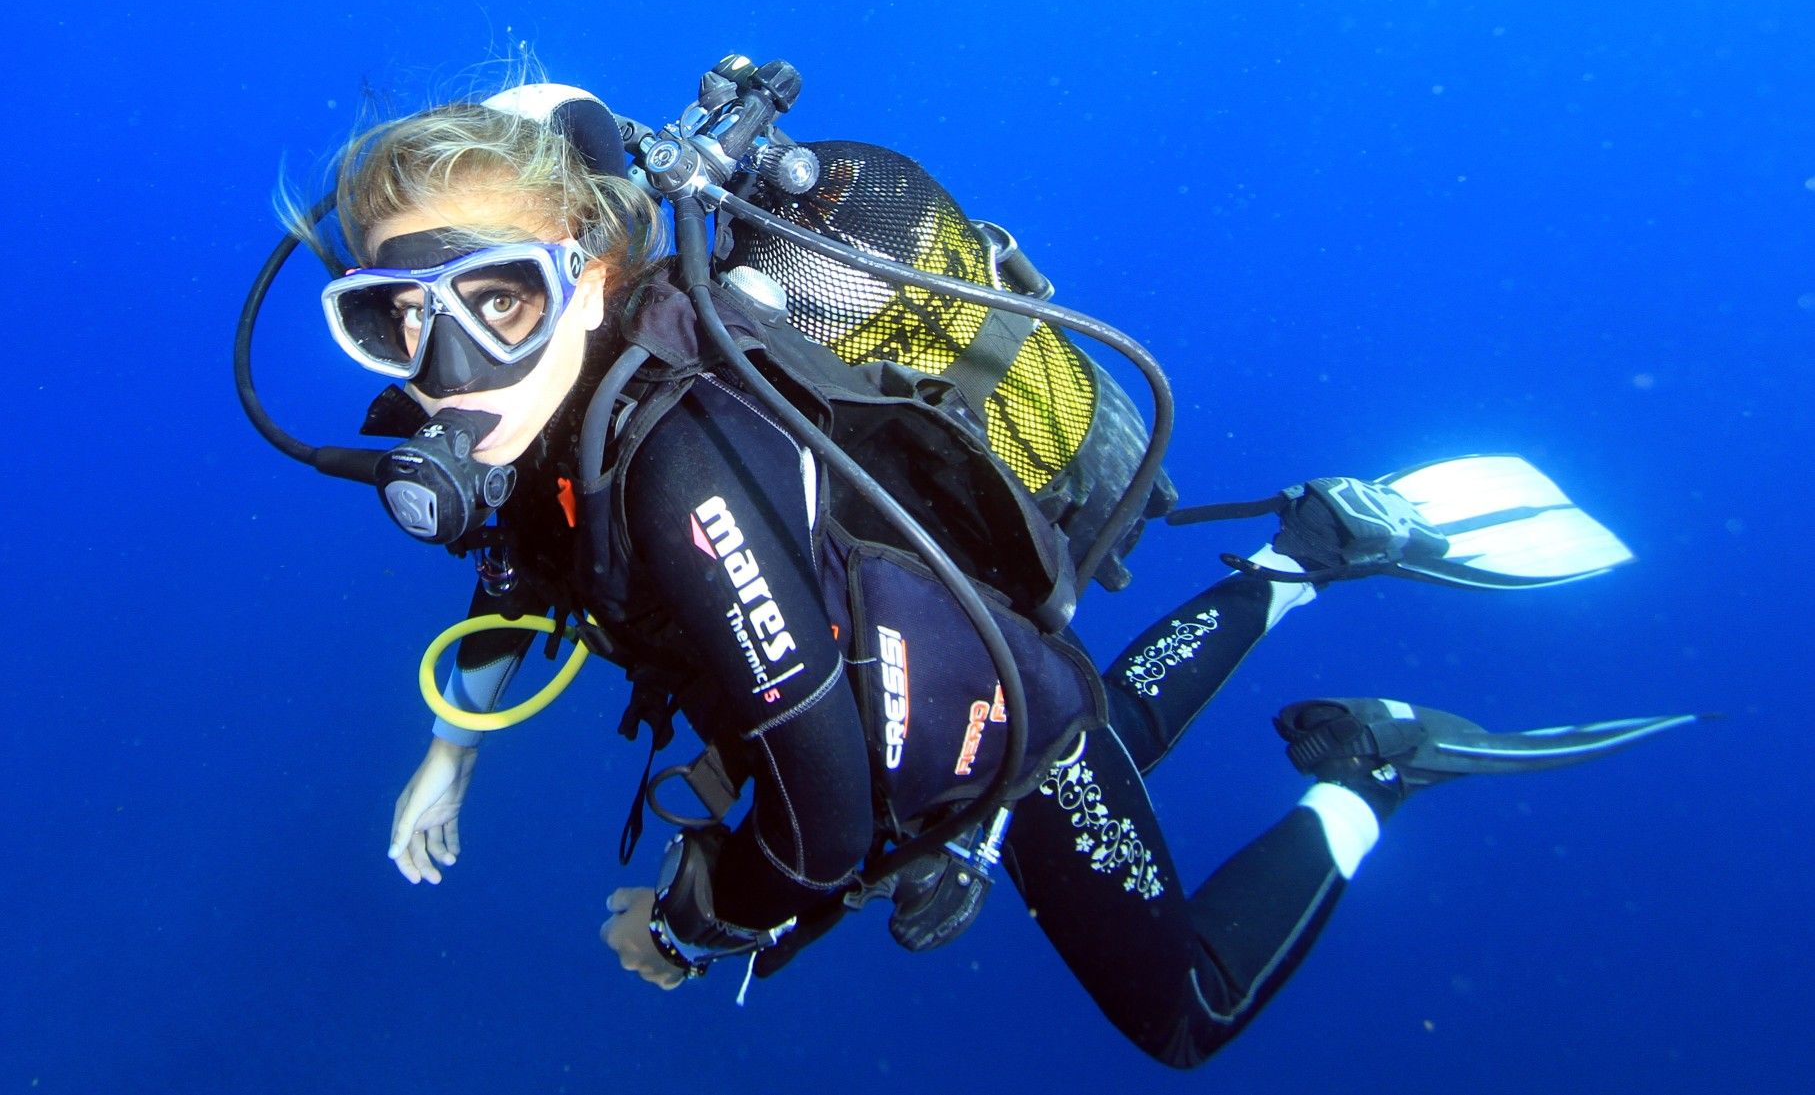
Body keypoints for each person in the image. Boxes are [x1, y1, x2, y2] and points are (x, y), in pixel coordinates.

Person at [265, 75, 1697, 1069]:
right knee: (1092, 731)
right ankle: (1305, 556)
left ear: (587, 270)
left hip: (1001, 721)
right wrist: (451, 754)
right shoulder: (559, 423)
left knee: (1183, 1006)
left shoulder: (680, 467)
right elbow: (525, 562)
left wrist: (695, 917)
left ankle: (1374, 767)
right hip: (971, 680)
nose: (448, 375)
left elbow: (823, 829)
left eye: (496, 300)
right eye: (395, 321)